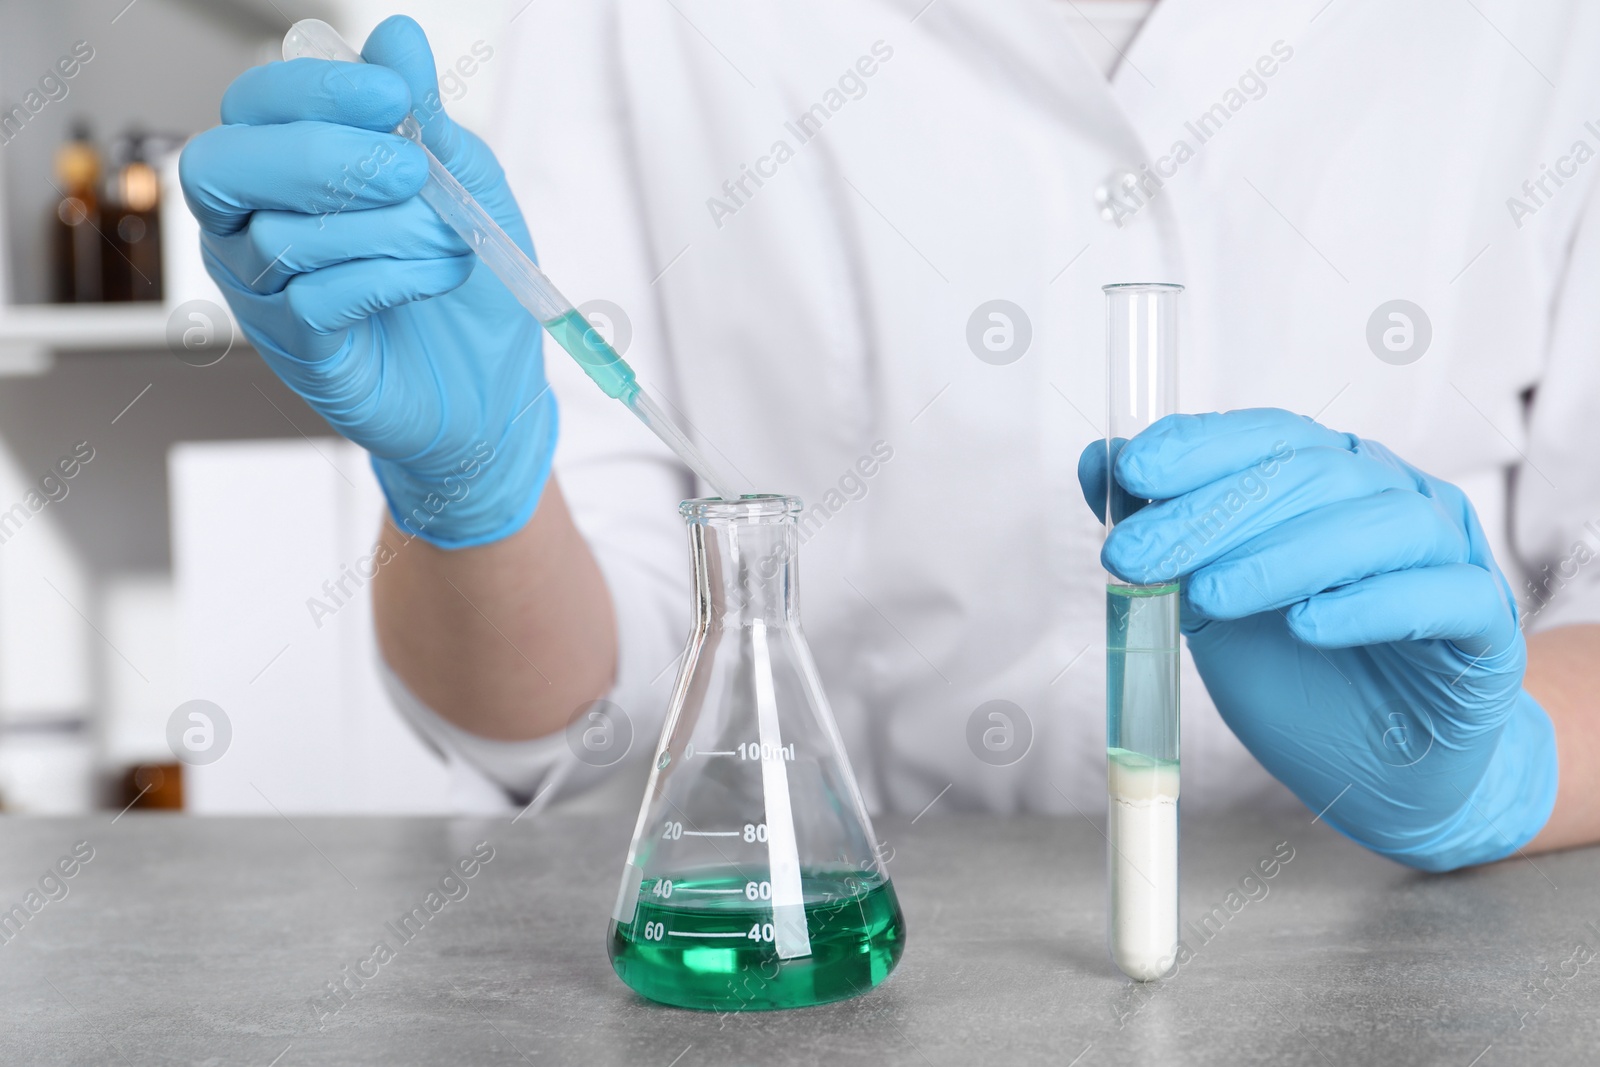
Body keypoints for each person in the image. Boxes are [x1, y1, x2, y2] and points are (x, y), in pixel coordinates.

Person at [179, 4, 1600, 871]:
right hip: (854, 960)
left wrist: (1498, 771)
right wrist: (470, 493)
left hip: (1406, 943)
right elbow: (579, 710)